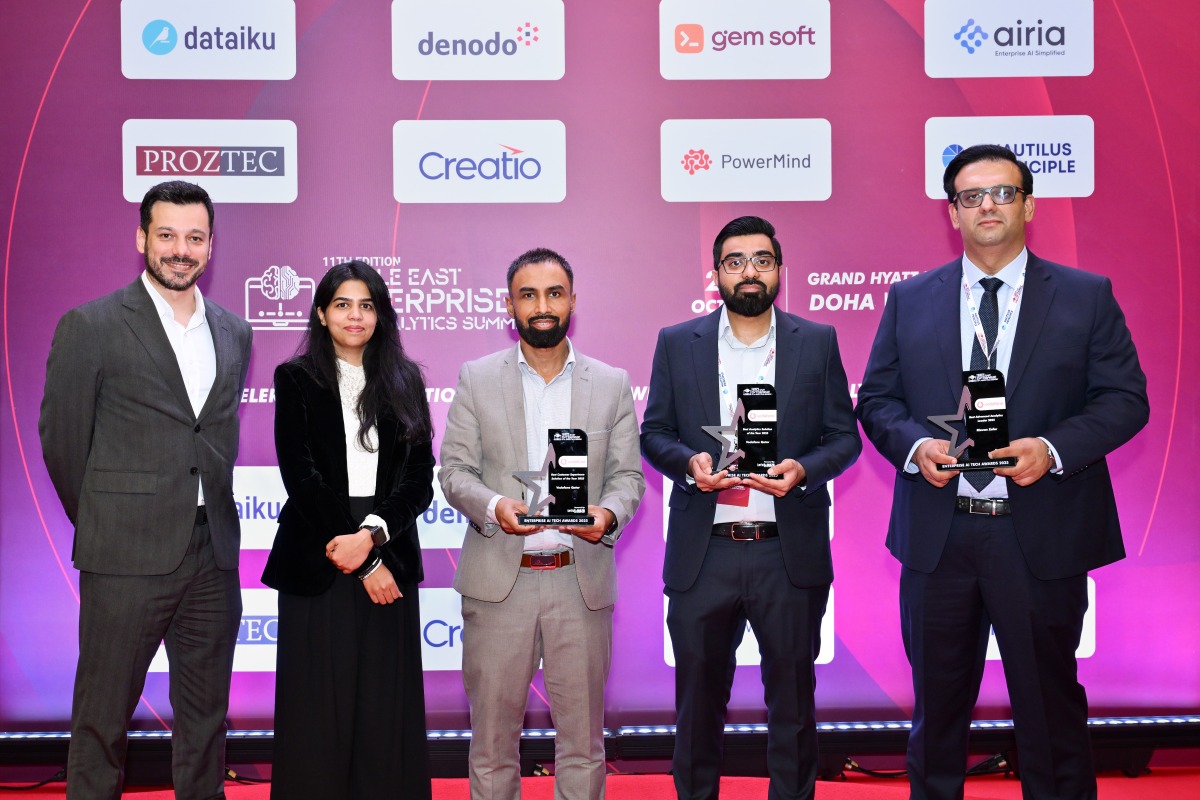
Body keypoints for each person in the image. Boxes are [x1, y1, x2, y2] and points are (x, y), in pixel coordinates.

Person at [855, 144, 1149, 800]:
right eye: (971, 195)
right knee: (936, 721)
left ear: (1029, 204)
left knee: (1051, 717)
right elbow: (876, 401)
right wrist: (913, 450)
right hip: (940, 536)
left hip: (1038, 534)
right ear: (952, 213)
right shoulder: (910, 300)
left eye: (1003, 193)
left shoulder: (1085, 296)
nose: (987, 205)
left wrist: (1051, 447)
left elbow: (1127, 400)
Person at [38, 180, 253, 799]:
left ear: (211, 247)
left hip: (212, 556)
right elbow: (63, 443)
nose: (180, 250)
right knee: (102, 722)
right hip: (123, 559)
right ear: (141, 239)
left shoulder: (234, 333)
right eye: (166, 235)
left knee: (205, 724)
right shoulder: (92, 325)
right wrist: (109, 522)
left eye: (194, 238)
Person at [641, 215, 861, 800]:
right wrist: (689, 464)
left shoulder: (816, 342)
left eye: (761, 259)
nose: (749, 271)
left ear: (780, 270)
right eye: (735, 261)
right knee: (697, 709)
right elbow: (654, 432)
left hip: (786, 555)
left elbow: (845, 437)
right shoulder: (676, 342)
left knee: (792, 707)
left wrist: (804, 470)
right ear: (715, 274)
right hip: (704, 552)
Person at [439, 247, 645, 800]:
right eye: (528, 295)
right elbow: (454, 472)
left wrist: (606, 515)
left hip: (580, 585)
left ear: (573, 301)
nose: (542, 306)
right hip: (498, 586)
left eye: (554, 293)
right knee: (491, 745)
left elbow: (629, 477)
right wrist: (493, 507)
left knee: (582, 745)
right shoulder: (478, 379)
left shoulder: (611, 382)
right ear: (510, 305)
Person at [261, 260, 435, 799]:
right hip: (318, 551)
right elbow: (301, 475)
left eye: (366, 305)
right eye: (342, 304)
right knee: (317, 708)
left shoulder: (405, 379)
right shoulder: (295, 378)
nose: (355, 316)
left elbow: (419, 478)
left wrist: (374, 539)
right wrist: (363, 559)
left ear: (380, 314)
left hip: (388, 549)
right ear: (321, 313)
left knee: (386, 707)